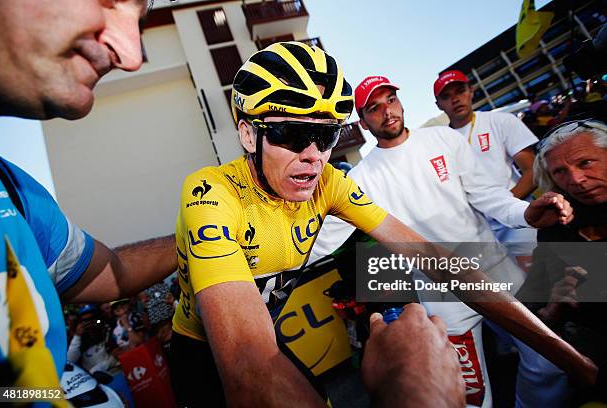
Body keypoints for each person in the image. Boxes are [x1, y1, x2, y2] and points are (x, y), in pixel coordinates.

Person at [169, 43, 593, 407]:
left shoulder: (332, 182)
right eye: (295, 134)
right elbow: (247, 372)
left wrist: (575, 360)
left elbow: (432, 258)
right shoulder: (211, 192)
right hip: (204, 353)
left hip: (272, 333)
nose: (314, 155)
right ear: (247, 134)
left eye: (327, 136)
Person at [309, 76, 586, 407]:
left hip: (497, 272)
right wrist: (258, 275)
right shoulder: (361, 178)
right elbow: (320, 242)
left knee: (549, 363)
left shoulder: (442, 139)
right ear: (364, 123)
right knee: (468, 394)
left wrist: (524, 214)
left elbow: (487, 195)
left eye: (391, 100)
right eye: (374, 107)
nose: (387, 111)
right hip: (444, 296)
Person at [0, 0, 177, 396]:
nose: (130, 56)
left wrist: (210, 233)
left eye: (141, 20)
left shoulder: (15, 193)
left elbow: (114, 274)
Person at [520, 119, 607, 404]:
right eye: (560, 171)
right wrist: (555, 306)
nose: (576, 179)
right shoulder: (556, 226)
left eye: (585, 163)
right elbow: (536, 315)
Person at [434, 70, 538, 266]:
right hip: (478, 234)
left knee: (541, 282)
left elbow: (533, 171)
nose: (455, 99)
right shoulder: (437, 144)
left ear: (471, 91)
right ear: (438, 104)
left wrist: (503, 206)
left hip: (517, 220)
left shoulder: (500, 121)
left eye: (460, 91)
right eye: (446, 97)